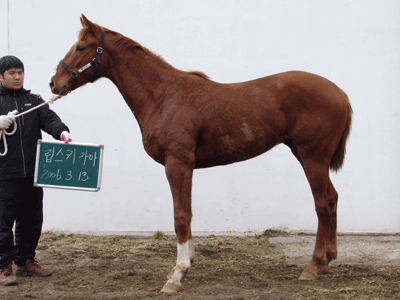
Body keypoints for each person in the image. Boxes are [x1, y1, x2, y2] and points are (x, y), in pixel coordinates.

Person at [0, 55, 73, 286]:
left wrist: (62, 132)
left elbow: (49, 118)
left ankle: (25, 261)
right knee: (2, 223)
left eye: (20, 72)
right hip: (5, 176)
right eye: (11, 73)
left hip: (32, 174)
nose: (17, 76)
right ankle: (4, 266)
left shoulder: (33, 100)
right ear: (1, 76)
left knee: (32, 220)